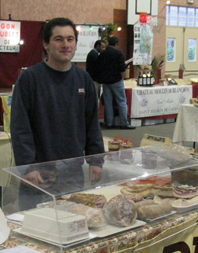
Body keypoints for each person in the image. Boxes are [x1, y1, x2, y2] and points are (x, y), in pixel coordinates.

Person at [11, 17, 105, 209]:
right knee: (36, 227)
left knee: (72, 223)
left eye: (70, 39)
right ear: (46, 44)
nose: (65, 45)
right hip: (38, 174)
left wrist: (96, 159)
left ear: (76, 44)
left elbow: (91, 123)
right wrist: (28, 166)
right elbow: (20, 127)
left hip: (73, 172)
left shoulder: (83, 79)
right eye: (58, 39)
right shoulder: (30, 79)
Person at [96, 36, 135, 129]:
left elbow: (99, 67)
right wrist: (124, 66)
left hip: (105, 81)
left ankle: (109, 123)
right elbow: (122, 68)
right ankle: (124, 123)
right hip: (116, 81)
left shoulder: (102, 54)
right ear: (117, 44)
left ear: (108, 43)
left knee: (108, 102)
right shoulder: (118, 53)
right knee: (121, 101)